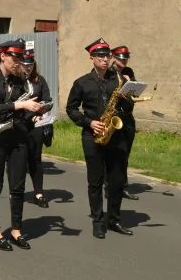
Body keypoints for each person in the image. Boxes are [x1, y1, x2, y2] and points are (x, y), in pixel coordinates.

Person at [65, 38, 135, 239]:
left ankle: (114, 220)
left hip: (117, 135)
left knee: (117, 180)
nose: (105, 60)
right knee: (95, 181)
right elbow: (71, 109)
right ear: (92, 58)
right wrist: (89, 122)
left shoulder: (120, 79)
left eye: (107, 56)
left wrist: (127, 96)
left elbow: (128, 109)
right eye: (101, 56)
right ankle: (98, 220)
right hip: (92, 135)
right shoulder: (81, 82)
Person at [0, 39, 45, 251]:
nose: (18, 61)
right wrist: (20, 104)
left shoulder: (20, 81)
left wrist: (35, 112)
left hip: (19, 135)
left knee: (17, 186)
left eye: (20, 57)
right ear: (3, 56)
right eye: (14, 57)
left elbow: (23, 110)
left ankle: (16, 229)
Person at [21, 48, 53, 208]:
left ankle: (38, 193)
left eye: (30, 64)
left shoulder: (40, 80)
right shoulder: (15, 81)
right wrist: (29, 114)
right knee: (19, 158)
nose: (28, 67)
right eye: (25, 64)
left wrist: (42, 112)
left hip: (36, 124)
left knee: (36, 158)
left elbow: (47, 100)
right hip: (19, 124)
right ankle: (18, 192)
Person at [110, 45, 141, 201]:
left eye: (126, 58)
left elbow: (133, 92)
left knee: (124, 154)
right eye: (122, 58)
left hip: (128, 117)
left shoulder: (128, 72)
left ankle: (123, 187)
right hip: (114, 117)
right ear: (114, 58)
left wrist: (131, 84)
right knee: (112, 155)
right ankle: (109, 186)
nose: (125, 61)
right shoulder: (108, 72)